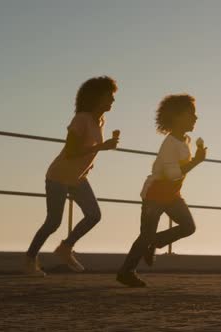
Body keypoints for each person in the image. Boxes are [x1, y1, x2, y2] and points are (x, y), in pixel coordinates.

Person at [24, 76, 120, 276]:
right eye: (109, 96)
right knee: (53, 222)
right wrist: (102, 147)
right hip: (58, 176)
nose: (112, 100)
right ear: (96, 97)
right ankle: (29, 259)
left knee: (94, 215)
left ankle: (65, 248)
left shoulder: (100, 121)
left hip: (78, 178)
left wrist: (94, 158)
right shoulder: (81, 119)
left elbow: (88, 151)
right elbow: (70, 152)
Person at [116, 93, 206, 287]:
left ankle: (153, 243)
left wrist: (195, 160)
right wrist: (196, 162)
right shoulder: (169, 144)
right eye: (191, 114)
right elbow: (173, 173)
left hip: (172, 194)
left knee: (188, 227)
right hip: (155, 195)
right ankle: (126, 272)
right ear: (177, 117)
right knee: (145, 234)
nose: (196, 118)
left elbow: (178, 174)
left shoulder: (185, 141)